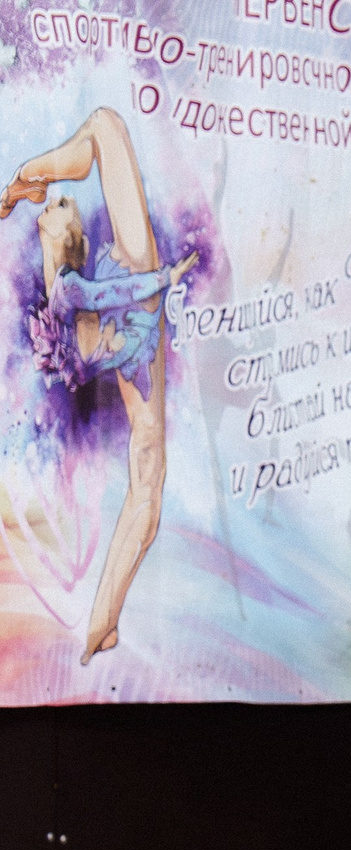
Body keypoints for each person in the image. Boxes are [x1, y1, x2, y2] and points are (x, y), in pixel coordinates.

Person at [5, 108, 197, 665]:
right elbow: (105, 298)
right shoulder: (67, 287)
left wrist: (28, 186)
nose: (70, 206)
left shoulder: (61, 279)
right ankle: (102, 623)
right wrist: (164, 277)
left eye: (62, 201)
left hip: (131, 335)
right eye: (64, 208)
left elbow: (102, 307)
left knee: (149, 484)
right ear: (66, 237)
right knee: (107, 127)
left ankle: (102, 624)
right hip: (133, 307)